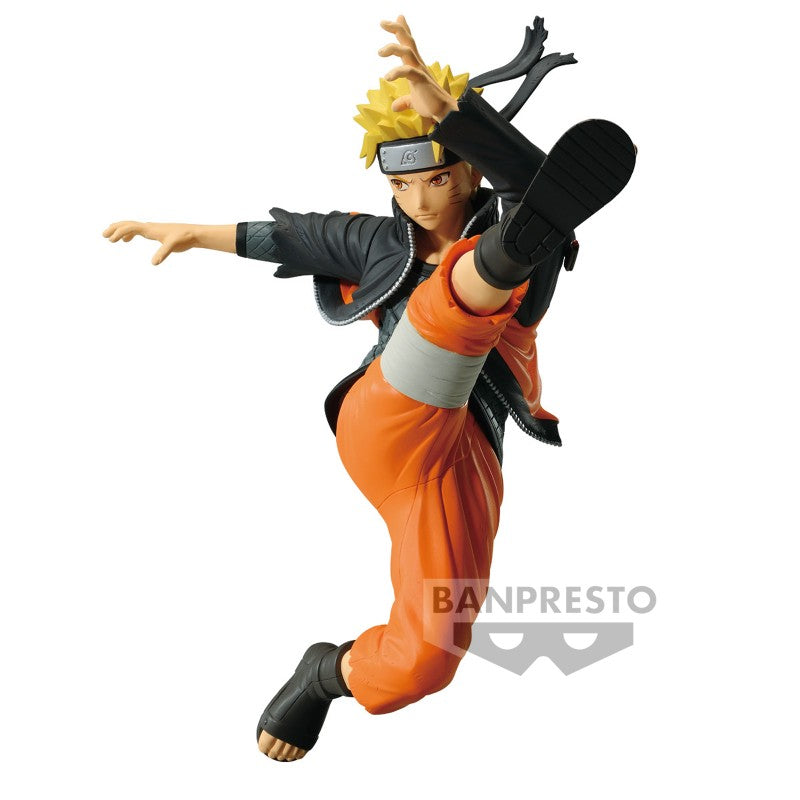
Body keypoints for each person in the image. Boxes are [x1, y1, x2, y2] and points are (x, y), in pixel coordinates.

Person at [103, 16, 635, 762]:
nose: (419, 200)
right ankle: (491, 266)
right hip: (387, 424)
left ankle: (324, 672)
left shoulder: (532, 219)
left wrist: (453, 111)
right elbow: (291, 235)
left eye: (438, 178)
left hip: (463, 458)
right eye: (401, 184)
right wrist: (191, 232)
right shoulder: (378, 241)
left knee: (427, 659)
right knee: (453, 302)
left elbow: (535, 182)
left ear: (470, 173)